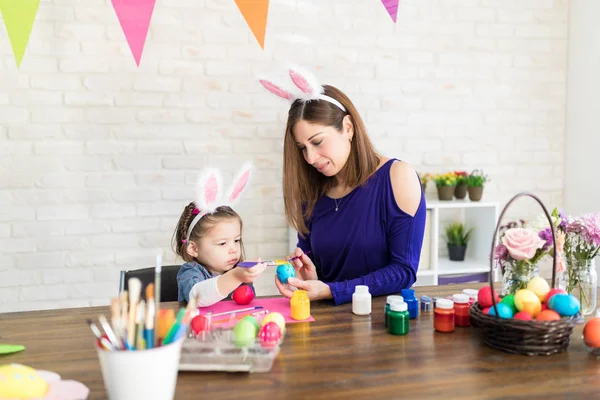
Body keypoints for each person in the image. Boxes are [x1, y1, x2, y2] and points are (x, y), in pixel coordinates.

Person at [260, 67, 426, 305]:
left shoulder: (398, 177)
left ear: (348, 128)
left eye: (317, 142)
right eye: (302, 148)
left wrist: (331, 290)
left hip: (382, 322)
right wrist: (308, 273)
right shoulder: (312, 191)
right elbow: (315, 267)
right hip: (326, 324)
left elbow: (403, 271)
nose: (310, 158)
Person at [173, 164, 267, 306]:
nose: (234, 249)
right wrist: (236, 277)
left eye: (237, 240)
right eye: (223, 243)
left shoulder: (238, 270)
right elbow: (197, 297)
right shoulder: (190, 272)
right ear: (193, 248)